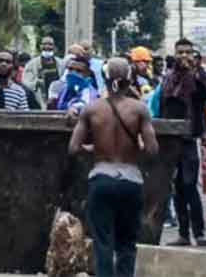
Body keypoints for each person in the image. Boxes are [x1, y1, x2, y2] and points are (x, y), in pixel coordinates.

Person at [69, 57, 158, 277]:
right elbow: (153, 150)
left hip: (101, 178)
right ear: (129, 81)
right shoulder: (139, 110)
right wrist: (136, 146)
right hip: (131, 181)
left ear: (105, 80)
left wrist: (92, 149)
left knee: (103, 242)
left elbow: (73, 148)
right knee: (127, 242)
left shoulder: (92, 109)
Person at [162, 38, 206, 247]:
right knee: (177, 187)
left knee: (190, 186)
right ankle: (183, 234)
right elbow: (166, 101)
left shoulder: (199, 75)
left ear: (193, 55)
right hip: (172, 139)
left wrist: (193, 73)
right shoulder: (169, 77)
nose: (184, 56)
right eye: (180, 52)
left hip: (190, 138)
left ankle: (198, 233)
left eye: (188, 52)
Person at [23, 36, 62, 106]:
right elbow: (25, 82)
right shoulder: (31, 64)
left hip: (57, 102)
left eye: (50, 44)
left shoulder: (61, 63)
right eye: (44, 44)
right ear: (40, 46)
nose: (47, 46)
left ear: (54, 47)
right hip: (38, 102)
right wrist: (36, 83)